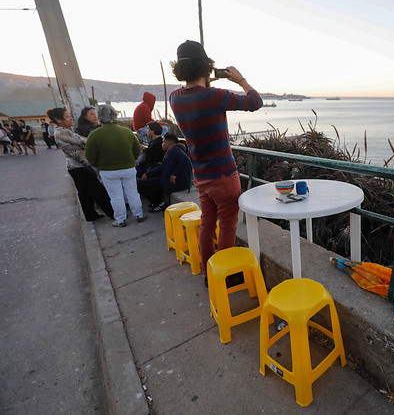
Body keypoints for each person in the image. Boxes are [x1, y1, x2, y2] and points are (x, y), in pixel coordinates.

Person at [169, 40, 262, 284]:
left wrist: (204, 80)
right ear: (206, 66)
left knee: (207, 223)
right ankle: (225, 276)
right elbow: (255, 102)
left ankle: (208, 269)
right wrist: (240, 80)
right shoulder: (215, 96)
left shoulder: (175, 98)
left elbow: (196, 95)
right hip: (223, 175)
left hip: (200, 175)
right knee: (228, 226)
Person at [47, 107, 114, 221]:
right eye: (67, 116)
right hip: (79, 166)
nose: (71, 118)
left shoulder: (61, 131)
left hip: (74, 167)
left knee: (84, 193)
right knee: (98, 191)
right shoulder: (63, 132)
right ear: (58, 119)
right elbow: (84, 141)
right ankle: (114, 214)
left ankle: (90, 215)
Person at [85, 104, 146, 227]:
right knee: (133, 193)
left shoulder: (95, 134)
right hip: (128, 168)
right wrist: (132, 160)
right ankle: (139, 215)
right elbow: (137, 150)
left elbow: (90, 155)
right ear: (115, 116)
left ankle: (121, 219)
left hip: (108, 171)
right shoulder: (127, 132)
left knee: (116, 196)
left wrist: (98, 165)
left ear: (100, 117)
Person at [137, 133, 192, 211]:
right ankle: (157, 202)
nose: (162, 144)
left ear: (168, 143)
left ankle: (160, 203)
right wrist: (148, 174)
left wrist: (174, 174)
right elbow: (163, 167)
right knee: (147, 181)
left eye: (163, 142)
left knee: (139, 185)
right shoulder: (172, 150)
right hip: (167, 179)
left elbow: (185, 160)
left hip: (175, 183)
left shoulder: (174, 149)